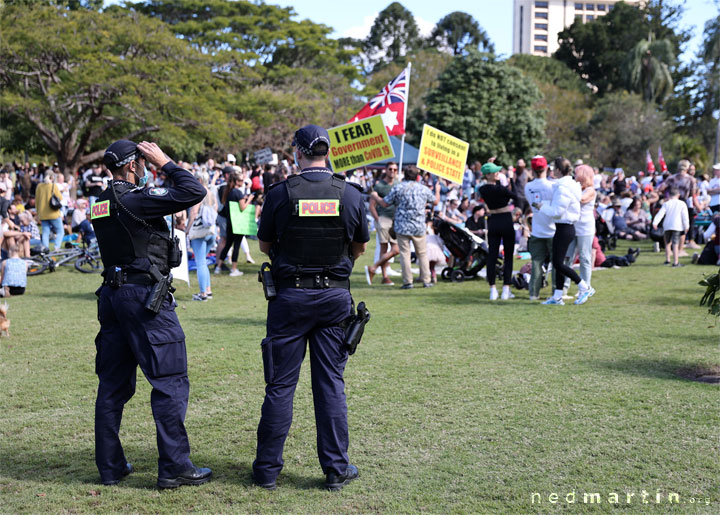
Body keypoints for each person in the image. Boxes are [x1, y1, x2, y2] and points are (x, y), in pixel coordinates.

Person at [252, 125, 369, 491]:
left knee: (281, 386)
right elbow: (359, 248)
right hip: (333, 297)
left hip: (291, 297)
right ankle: (336, 469)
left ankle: (267, 471)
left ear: (297, 153)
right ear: (327, 151)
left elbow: (266, 245)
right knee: (330, 385)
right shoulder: (349, 194)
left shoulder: (280, 194)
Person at [91, 139, 211, 489]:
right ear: (133, 165)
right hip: (143, 297)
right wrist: (166, 162)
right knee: (170, 380)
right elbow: (193, 189)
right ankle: (174, 466)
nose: (146, 166)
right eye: (143, 161)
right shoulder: (135, 198)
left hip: (112, 296)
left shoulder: (100, 202)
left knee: (112, 386)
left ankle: (110, 467)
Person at [370, 166, 440, 289]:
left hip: (402, 226)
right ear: (417, 176)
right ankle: (426, 280)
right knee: (422, 254)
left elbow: (385, 203)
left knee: (405, 254)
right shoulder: (423, 189)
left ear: (405, 175)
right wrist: (437, 190)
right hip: (418, 226)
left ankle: (408, 281)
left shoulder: (398, 188)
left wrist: (375, 196)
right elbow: (435, 202)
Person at [536, 158, 594, 305]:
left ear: (558, 170)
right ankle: (557, 296)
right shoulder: (568, 185)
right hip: (565, 227)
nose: (551, 171)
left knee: (558, 264)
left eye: (553, 168)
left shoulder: (563, 188)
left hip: (565, 228)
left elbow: (557, 211)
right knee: (558, 262)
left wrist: (541, 206)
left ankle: (584, 286)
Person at [478, 162, 517, 300]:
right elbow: (515, 196)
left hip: (493, 220)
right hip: (505, 220)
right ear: (488, 174)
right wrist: (511, 179)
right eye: (494, 172)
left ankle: (493, 290)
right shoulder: (501, 189)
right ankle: (506, 289)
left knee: (492, 256)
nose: (497, 173)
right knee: (508, 257)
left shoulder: (482, 189)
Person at [524, 156, 555, 301]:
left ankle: (533, 293)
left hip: (537, 229)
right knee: (556, 263)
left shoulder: (528, 187)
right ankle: (556, 292)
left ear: (532, 169)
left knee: (536, 262)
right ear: (546, 168)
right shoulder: (553, 186)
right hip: (553, 229)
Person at [563, 164, 596, 296]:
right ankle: (564, 287)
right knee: (567, 258)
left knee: (584, 257)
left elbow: (582, 200)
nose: (573, 176)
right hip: (572, 226)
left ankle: (585, 287)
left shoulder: (590, 190)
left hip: (585, 228)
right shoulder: (577, 189)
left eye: (576, 174)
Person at [215, 170, 254, 276]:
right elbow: (243, 207)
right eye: (241, 180)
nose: (243, 182)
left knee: (228, 245)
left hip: (230, 222)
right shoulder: (238, 192)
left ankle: (218, 267)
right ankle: (234, 269)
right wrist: (249, 199)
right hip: (238, 223)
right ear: (236, 181)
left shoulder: (229, 191)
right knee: (236, 245)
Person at [366, 163, 399, 285]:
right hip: (384, 219)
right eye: (390, 169)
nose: (393, 171)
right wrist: (377, 219)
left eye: (395, 169)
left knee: (396, 249)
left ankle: (374, 268)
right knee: (385, 248)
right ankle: (385, 277)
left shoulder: (397, 184)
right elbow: (372, 206)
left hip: (395, 220)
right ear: (386, 170)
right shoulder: (379, 186)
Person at [187, 172, 217, 301]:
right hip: (210, 231)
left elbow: (194, 212)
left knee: (200, 263)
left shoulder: (199, 192)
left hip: (199, 231)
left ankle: (203, 293)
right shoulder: (211, 193)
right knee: (203, 262)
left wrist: (187, 230)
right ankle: (208, 290)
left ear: (199, 179)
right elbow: (215, 211)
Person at [652, 187, 689, 267]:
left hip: (667, 225)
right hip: (677, 226)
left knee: (667, 243)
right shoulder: (682, 203)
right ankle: (676, 262)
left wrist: (655, 223)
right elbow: (685, 216)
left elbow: (660, 214)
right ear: (678, 195)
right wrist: (686, 226)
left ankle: (667, 260)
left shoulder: (666, 203)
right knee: (675, 244)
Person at [35, 171, 64, 250]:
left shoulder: (39, 186)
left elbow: (36, 200)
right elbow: (60, 198)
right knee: (60, 231)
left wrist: (38, 213)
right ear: (52, 177)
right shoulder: (53, 186)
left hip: (43, 214)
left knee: (45, 232)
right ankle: (56, 247)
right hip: (53, 213)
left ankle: (45, 248)